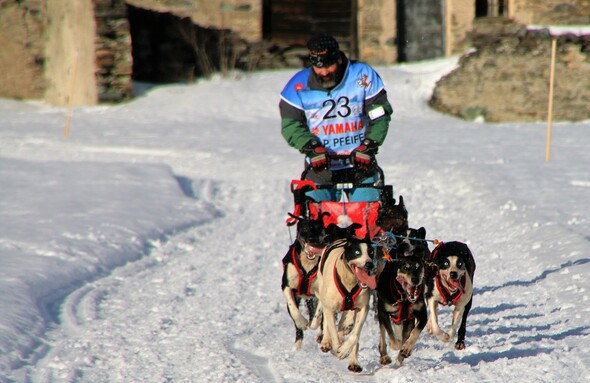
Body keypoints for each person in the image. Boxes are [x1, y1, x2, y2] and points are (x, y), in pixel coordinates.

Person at [279, 32, 393, 202]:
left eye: (328, 66)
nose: (324, 72)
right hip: (320, 169)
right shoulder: (297, 87)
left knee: (368, 217)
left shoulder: (362, 75)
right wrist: (311, 148)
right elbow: (291, 125)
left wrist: (369, 145)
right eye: (319, 68)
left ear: (339, 59)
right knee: (315, 218)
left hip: (361, 165)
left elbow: (379, 114)